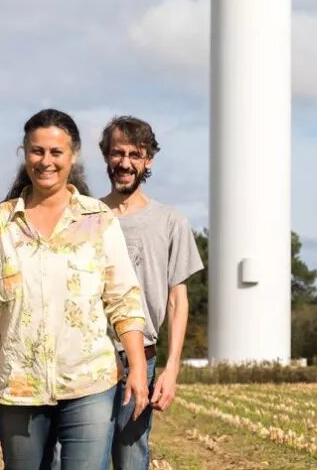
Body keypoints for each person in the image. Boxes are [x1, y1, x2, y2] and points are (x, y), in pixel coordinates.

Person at [0, 109, 150, 470]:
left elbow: (124, 300)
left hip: (89, 381)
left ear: (72, 156)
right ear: (24, 153)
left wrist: (137, 367)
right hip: (18, 385)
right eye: (37, 151)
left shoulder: (98, 219)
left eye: (56, 152)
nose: (46, 161)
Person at [99, 116, 204, 469]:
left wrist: (171, 368)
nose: (125, 163)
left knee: (131, 458)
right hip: (88, 359)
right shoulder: (86, 217)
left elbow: (178, 300)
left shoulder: (171, 221)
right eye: (117, 153)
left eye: (135, 154)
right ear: (105, 157)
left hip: (141, 359)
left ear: (149, 160)